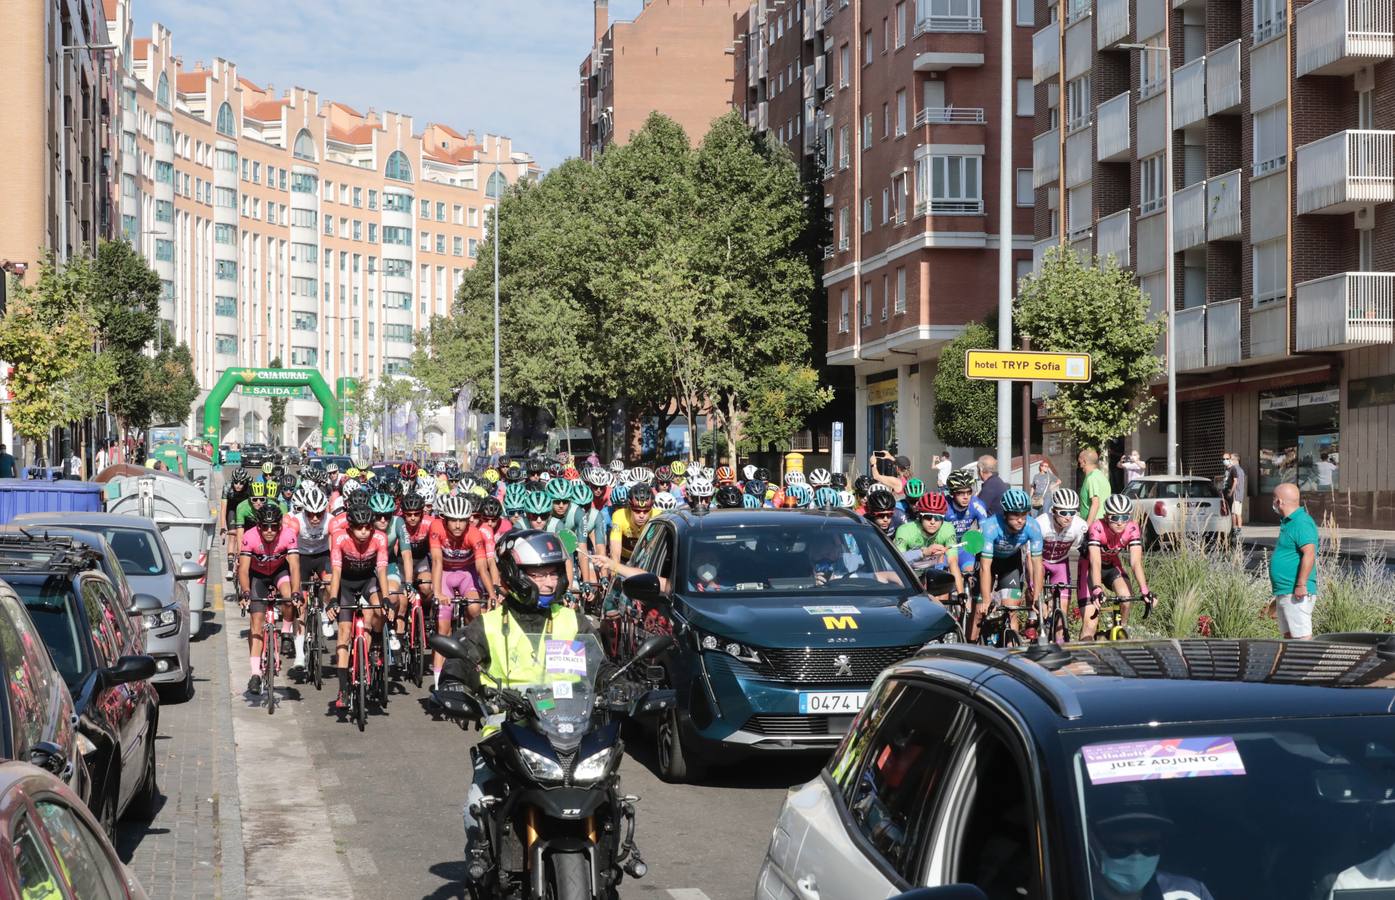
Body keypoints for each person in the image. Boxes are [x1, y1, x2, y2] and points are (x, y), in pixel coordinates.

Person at [444, 530, 603, 875]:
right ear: (514, 575)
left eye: (553, 573)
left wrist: (628, 685)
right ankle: (482, 858)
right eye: (538, 574)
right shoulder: (486, 626)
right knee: (478, 800)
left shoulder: (573, 621)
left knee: (609, 789)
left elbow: (602, 666)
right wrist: (455, 688)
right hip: (506, 734)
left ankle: (614, 853)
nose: (548, 582)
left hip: (568, 732)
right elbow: (458, 663)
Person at [1087, 785, 1215, 900]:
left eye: (1149, 847)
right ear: (1092, 842)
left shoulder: (1189, 894)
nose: (1137, 857)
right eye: (1121, 848)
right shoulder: (1070, 890)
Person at [328, 501, 392, 709]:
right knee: (344, 631)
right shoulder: (340, 538)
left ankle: (375, 647)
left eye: (367, 528)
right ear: (350, 526)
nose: (364, 532)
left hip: (368, 581)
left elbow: (381, 570)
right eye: (359, 528)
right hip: (345, 583)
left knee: (379, 610)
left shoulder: (379, 538)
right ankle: (343, 689)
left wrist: (387, 599)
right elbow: (336, 572)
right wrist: (333, 599)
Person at [237, 504, 303, 694]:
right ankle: (255, 673)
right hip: (257, 576)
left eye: (274, 526)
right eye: (265, 526)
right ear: (258, 526)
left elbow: (295, 567)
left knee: (289, 597)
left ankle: (285, 631)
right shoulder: (250, 536)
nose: (269, 531)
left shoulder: (288, 535)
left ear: (279, 526)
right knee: (256, 623)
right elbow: (243, 569)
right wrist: (246, 591)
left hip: (279, 572)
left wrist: (297, 591)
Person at [967, 488, 1043, 642]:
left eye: (1024, 514)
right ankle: (971, 647)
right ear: (1005, 513)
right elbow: (985, 568)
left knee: (1011, 610)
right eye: (1015, 515)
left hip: (1010, 562)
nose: (1021, 520)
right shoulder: (990, 526)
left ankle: (1012, 650)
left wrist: (1037, 598)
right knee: (979, 612)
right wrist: (986, 599)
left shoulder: (1033, 527)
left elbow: (1037, 566)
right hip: (989, 561)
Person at [1082, 494, 1151, 640]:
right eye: (1115, 518)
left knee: (1126, 599)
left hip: (1112, 566)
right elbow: (1095, 561)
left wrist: (1145, 590)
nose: (1120, 522)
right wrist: (1097, 588)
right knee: (1089, 626)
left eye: (1124, 517)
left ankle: (1119, 630)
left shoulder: (1132, 528)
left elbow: (1135, 563)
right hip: (1090, 568)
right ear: (1106, 517)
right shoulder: (1097, 527)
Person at [1269, 482, 1318, 640]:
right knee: (1290, 637)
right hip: (1285, 591)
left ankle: (1305, 665)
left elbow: (1309, 553)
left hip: (1296, 592)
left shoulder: (1301, 522)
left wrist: (1301, 584)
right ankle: (1291, 665)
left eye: (1274, 499)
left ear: (1280, 501)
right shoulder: (1289, 521)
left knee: (1302, 640)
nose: (1273, 503)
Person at [1038, 488, 1088, 610]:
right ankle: (1032, 621)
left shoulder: (1079, 526)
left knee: (1063, 608)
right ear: (1054, 511)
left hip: (1060, 563)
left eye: (1072, 512)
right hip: (1039, 561)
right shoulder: (1041, 523)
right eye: (1064, 513)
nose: (1068, 517)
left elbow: (1084, 552)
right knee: (1035, 597)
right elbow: (1030, 557)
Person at [1078, 448, 1112, 524]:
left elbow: (1096, 503)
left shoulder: (1092, 478)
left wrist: (1087, 526)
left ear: (1084, 462)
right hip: (1102, 523)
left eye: (1079, 462)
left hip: (1094, 525)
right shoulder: (1101, 476)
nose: (1080, 466)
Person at [1220, 450, 1246, 544]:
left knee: (1235, 513)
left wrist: (1231, 492)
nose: (1228, 460)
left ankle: (1236, 530)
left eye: (1230, 459)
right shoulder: (1237, 469)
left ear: (1235, 460)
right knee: (1236, 513)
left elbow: (1236, 482)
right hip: (1237, 494)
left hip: (1236, 494)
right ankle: (1236, 529)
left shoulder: (1236, 469)